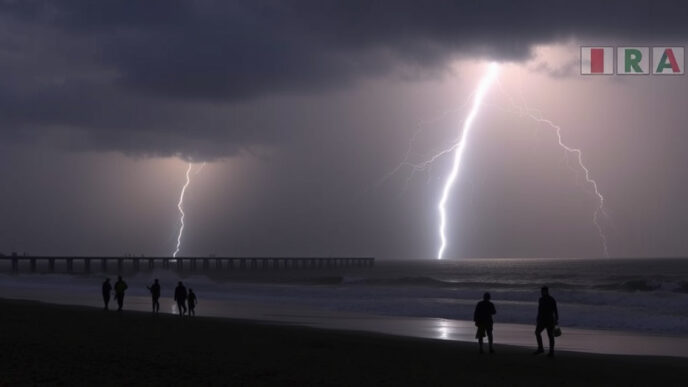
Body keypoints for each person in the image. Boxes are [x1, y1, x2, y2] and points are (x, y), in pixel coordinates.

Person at [534, 286, 559, 357]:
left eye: (543, 291)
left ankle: (551, 352)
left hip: (550, 320)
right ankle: (540, 348)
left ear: (547, 291)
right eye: (542, 291)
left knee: (550, 336)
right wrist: (538, 318)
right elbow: (539, 310)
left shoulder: (551, 300)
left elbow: (555, 310)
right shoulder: (541, 299)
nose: (542, 292)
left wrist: (556, 319)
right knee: (537, 332)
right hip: (542, 320)